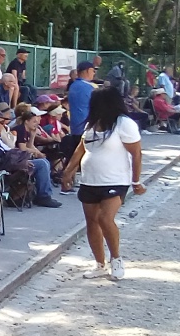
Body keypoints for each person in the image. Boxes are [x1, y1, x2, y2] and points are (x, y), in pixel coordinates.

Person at [60, 87, 145, 280]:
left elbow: (136, 153)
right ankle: (100, 264)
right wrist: (68, 172)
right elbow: (81, 149)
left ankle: (116, 259)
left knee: (105, 218)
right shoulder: (92, 125)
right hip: (89, 180)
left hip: (115, 179)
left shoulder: (124, 124)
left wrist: (136, 180)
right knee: (91, 222)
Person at [0, 112, 62, 208]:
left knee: (43, 161)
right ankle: (43, 197)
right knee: (42, 164)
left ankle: (43, 194)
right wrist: (22, 162)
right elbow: (1, 159)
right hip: (7, 169)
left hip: (11, 164)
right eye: (2, 122)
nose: (4, 125)